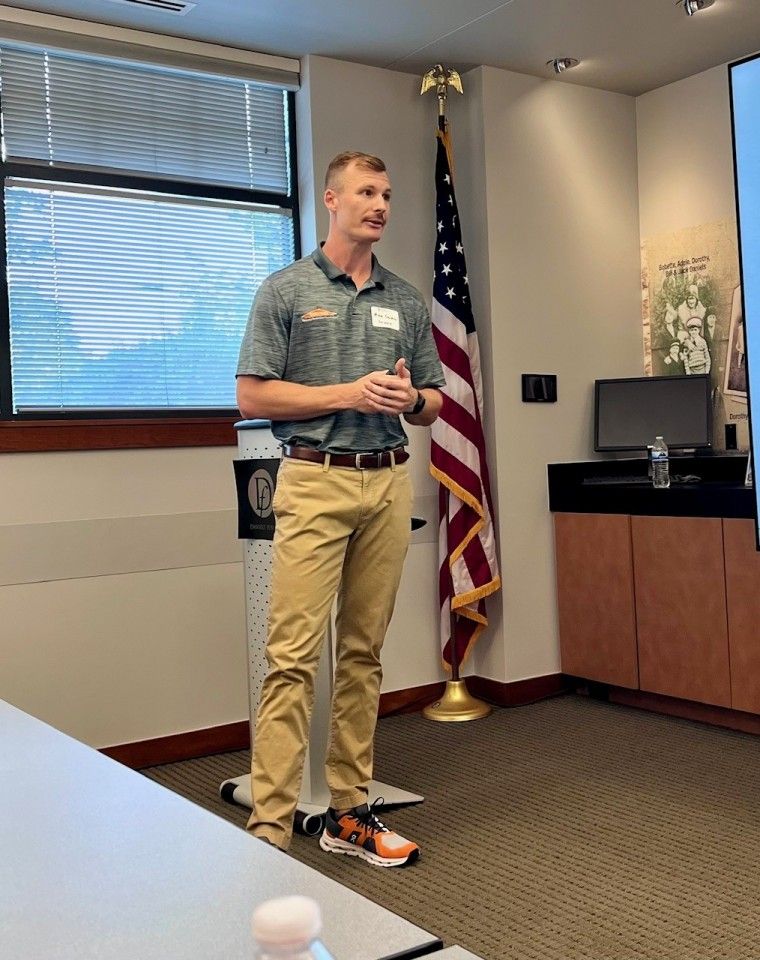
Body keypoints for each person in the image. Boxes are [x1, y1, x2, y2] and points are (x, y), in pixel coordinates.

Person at [235, 151, 445, 867]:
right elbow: (254, 396)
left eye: (387, 193)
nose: (380, 203)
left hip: (386, 483)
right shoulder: (287, 289)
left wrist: (409, 400)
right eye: (365, 191)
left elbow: (435, 404)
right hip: (315, 480)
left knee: (362, 655)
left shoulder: (406, 299)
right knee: (291, 658)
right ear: (330, 198)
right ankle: (268, 828)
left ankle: (349, 812)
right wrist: (346, 394)